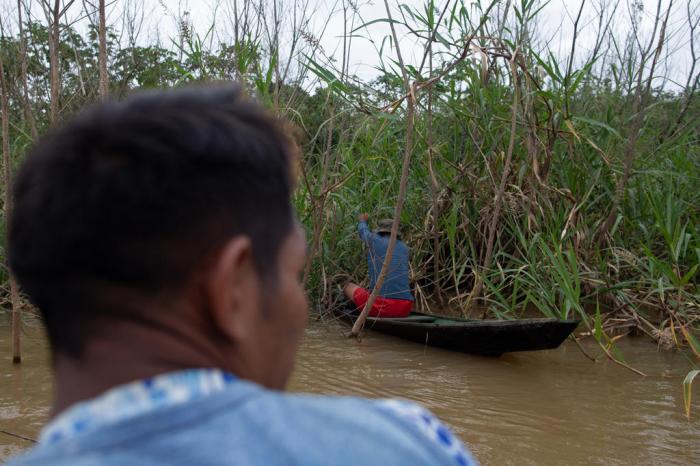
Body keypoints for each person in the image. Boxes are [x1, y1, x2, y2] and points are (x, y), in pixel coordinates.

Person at [6, 85, 477, 466]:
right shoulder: (405, 444)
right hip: (405, 308)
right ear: (233, 286)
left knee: (346, 289)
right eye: (295, 273)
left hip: (380, 307)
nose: (299, 300)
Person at [343, 214, 414, 318]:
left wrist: (362, 220)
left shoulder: (374, 240)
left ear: (380, 231)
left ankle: (355, 309)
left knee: (348, 286)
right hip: (405, 307)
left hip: (380, 306)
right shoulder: (405, 248)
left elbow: (363, 231)